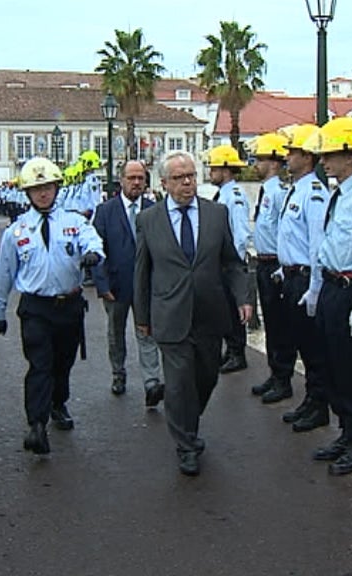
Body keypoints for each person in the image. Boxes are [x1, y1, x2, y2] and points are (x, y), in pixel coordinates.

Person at [134, 151, 252, 476]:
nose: (187, 183)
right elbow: (142, 271)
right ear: (164, 184)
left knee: (206, 377)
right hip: (170, 314)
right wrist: (141, 317)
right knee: (178, 382)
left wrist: (243, 297)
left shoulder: (217, 213)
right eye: (179, 178)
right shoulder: (149, 219)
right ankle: (186, 444)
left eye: (191, 176)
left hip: (209, 313)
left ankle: (188, 421)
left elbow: (231, 262)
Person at [0, 156, 104, 455]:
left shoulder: (74, 221)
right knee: (39, 364)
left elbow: (93, 240)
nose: (43, 193)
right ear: (27, 192)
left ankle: (57, 403)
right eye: (36, 188)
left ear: (56, 187)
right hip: (36, 308)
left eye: (48, 187)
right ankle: (36, 425)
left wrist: (92, 254)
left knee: (63, 362)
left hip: (69, 305)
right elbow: (4, 273)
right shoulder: (17, 231)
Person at [301, 117, 352, 476]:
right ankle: (344, 431)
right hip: (332, 287)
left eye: (331, 155)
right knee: (332, 365)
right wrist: (316, 289)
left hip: (351, 290)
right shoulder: (337, 195)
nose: (324, 161)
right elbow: (325, 247)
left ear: (350, 157)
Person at [274, 124, 332, 432]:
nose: (287, 157)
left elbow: (316, 243)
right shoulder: (294, 189)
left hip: (306, 278)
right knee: (299, 341)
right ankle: (311, 399)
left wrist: (314, 287)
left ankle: (319, 403)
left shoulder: (314, 193)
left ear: (308, 157)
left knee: (312, 346)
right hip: (292, 276)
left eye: (293, 152)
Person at [92, 160, 163, 405]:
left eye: (140, 178)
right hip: (116, 285)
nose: (136, 183)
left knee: (147, 332)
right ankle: (118, 373)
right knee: (116, 332)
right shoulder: (105, 211)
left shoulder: (155, 209)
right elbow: (97, 249)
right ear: (120, 180)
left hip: (147, 287)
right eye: (131, 178)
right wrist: (102, 285)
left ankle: (152, 382)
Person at [248, 132, 298, 403]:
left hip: (276, 264)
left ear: (275, 163)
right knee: (271, 322)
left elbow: (284, 232)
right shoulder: (267, 191)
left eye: (261, 159)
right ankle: (275, 372)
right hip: (264, 263)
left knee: (280, 325)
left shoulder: (279, 193)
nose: (256, 164)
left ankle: (284, 377)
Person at [205, 144, 252, 374]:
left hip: (230, 263)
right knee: (225, 309)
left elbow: (241, 233)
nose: (210, 172)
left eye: (213, 168)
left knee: (234, 311)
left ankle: (237, 353)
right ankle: (230, 350)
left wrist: (234, 262)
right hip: (221, 262)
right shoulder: (223, 194)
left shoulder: (234, 196)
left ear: (225, 169)